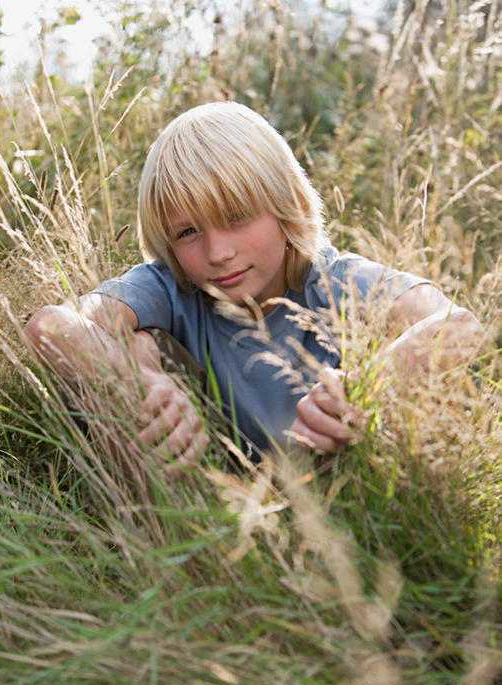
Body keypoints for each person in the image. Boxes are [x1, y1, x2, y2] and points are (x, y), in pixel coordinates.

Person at [24, 101, 484, 471]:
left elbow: (459, 325)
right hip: (209, 491)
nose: (217, 252)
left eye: (237, 218)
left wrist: (366, 388)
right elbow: (50, 326)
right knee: (136, 346)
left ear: (288, 205)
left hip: (340, 490)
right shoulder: (168, 286)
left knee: (416, 355)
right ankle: (164, 555)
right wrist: (139, 379)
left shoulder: (334, 278)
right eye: (188, 232)